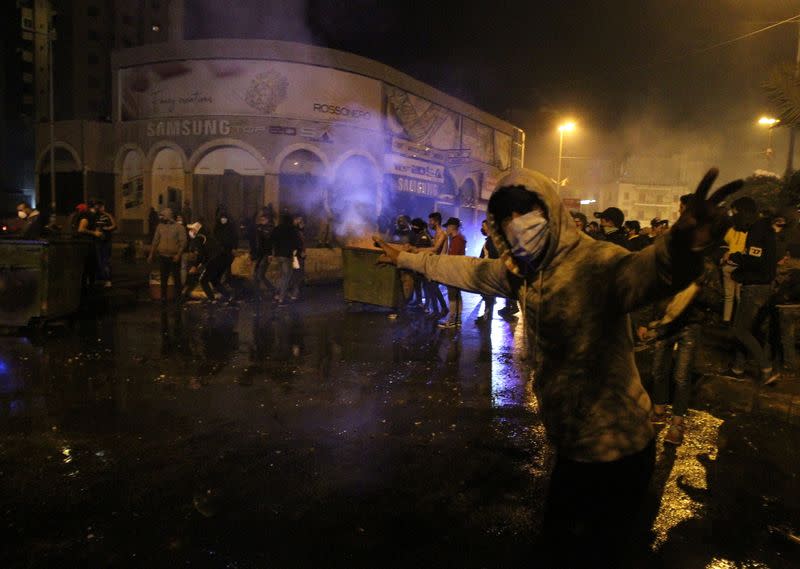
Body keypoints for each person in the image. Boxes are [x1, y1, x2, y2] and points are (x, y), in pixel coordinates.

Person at [374, 167, 740, 567]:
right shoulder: (522, 274)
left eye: (528, 213)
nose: (520, 227)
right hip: (573, 447)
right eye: (508, 218)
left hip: (619, 451)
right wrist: (408, 259)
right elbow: (468, 270)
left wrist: (684, 246)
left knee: (599, 553)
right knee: (560, 547)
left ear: (552, 212)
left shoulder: (598, 262)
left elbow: (650, 273)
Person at [645, 259, 721, 445]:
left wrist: (697, 290)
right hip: (664, 324)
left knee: (682, 375)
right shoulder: (667, 260)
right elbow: (651, 290)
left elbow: (717, 300)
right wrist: (644, 320)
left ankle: (677, 423)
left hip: (690, 325)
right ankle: (659, 410)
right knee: (658, 370)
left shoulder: (706, 267)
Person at [728, 209, 786, 384]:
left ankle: (766, 368)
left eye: (735, 213)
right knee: (747, 328)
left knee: (740, 330)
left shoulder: (757, 230)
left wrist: (733, 257)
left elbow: (754, 259)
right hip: (764, 286)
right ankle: (738, 367)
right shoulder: (765, 229)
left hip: (755, 287)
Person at [720, 197, 756, 324]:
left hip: (734, 265)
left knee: (732, 296)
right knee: (736, 296)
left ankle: (729, 321)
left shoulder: (736, 229)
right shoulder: (748, 230)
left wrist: (725, 254)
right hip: (734, 265)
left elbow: (724, 244)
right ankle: (735, 322)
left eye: (734, 212)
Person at [184, 221, 232, 304]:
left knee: (203, 280)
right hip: (222, 259)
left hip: (214, 260)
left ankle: (212, 300)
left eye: (192, 229)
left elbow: (201, 254)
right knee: (214, 280)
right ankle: (228, 296)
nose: (190, 231)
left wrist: (195, 266)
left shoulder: (199, 238)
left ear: (196, 230)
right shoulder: (206, 236)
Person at [148, 208, 187, 303]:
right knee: (163, 278)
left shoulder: (179, 227)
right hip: (163, 256)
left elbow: (183, 242)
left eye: (163, 215)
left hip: (174, 257)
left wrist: (178, 254)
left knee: (176, 277)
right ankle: (163, 297)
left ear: (169, 216)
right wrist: (151, 254)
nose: (161, 217)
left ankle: (178, 297)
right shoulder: (160, 227)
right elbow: (155, 241)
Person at [772, 242, 800, 374]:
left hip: (785, 306)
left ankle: (790, 363)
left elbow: (774, 283)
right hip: (798, 306)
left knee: (786, 337)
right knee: (792, 336)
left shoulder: (784, 269)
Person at [267, 213, 303, 306]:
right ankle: (281, 298)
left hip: (278, 255)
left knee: (282, 276)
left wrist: (271, 253)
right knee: (286, 277)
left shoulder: (277, 228)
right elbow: (297, 241)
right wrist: (299, 250)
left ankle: (276, 294)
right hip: (287, 256)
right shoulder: (292, 229)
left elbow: (270, 240)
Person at [438, 217, 466, 329]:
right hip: (457, 270)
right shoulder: (457, 239)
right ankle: (457, 320)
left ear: (452, 227)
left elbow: (452, 258)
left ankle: (451, 320)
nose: (446, 230)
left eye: (447, 227)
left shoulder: (457, 240)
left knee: (452, 296)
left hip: (454, 271)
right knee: (456, 295)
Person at [426, 212, 449, 317]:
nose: (429, 223)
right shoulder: (436, 234)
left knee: (433, 287)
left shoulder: (442, 234)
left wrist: (418, 249)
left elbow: (435, 249)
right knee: (432, 287)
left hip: (440, 263)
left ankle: (440, 309)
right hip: (436, 263)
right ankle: (440, 309)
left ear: (436, 221)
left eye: (431, 221)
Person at [476, 219, 499, 324]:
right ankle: (486, 316)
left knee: (488, 296)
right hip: (488, 270)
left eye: (484, 226)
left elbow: (492, 256)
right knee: (487, 296)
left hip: (489, 271)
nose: (482, 228)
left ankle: (487, 317)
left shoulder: (492, 241)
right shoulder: (490, 240)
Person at [94, 200, 117, 287]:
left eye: (99, 206)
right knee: (98, 261)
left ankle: (108, 280)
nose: (99, 208)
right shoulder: (94, 216)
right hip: (97, 241)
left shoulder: (107, 216)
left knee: (106, 261)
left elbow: (114, 226)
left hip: (106, 242)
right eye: (97, 207)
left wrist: (106, 228)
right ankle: (99, 279)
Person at [252, 212, 275, 298]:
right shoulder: (259, 229)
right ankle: (257, 293)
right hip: (260, 254)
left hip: (265, 254)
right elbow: (257, 242)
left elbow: (269, 242)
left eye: (263, 220)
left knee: (260, 275)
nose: (262, 221)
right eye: (261, 220)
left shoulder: (269, 229)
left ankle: (272, 289)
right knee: (256, 274)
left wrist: (269, 254)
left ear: (267, 220)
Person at [289, 215, 307, 301]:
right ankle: (295, 293)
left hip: (299, 255)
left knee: (298, 274)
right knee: (297, 275)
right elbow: (297, 244)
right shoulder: (295, 231)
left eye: (301, 221)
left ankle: (296, 293)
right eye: (299, 221)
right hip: (296, 256)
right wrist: (301, 252)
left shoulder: (299, 231)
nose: (301, 223)